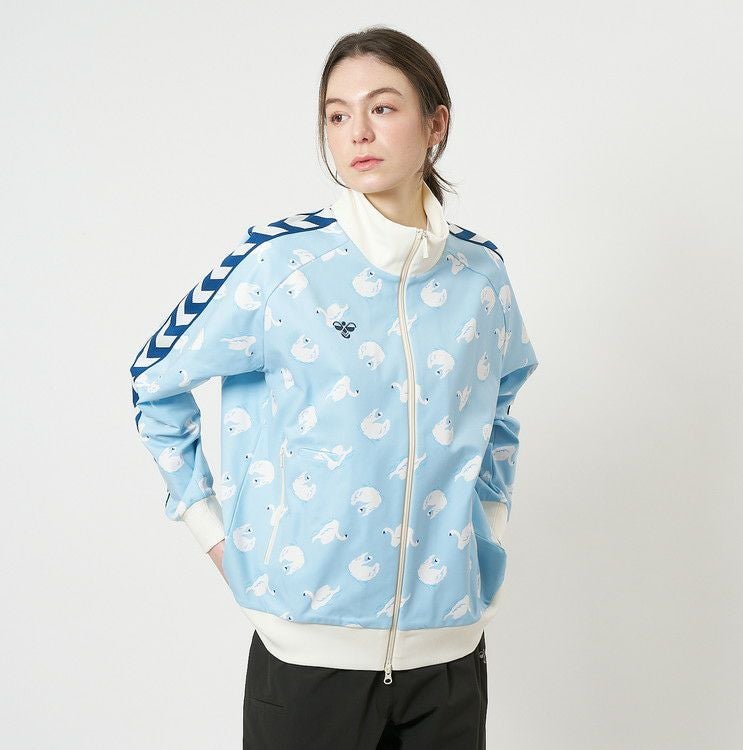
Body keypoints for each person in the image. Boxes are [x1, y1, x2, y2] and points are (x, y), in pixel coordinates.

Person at [129, 25, 539, 750]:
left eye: (382, 108)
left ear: (436, 124)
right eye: (337, 114)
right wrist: (215, 533)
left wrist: (486, 529)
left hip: (449, 652)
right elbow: (153, 381)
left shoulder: (480, 274)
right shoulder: (279, 262)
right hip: (306, 653)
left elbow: (499, 403)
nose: (358, 133)